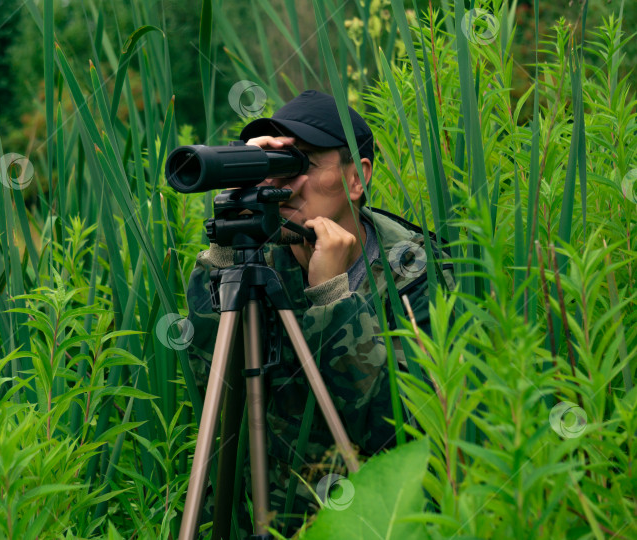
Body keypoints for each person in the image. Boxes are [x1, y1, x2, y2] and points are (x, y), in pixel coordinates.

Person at [184, 89, 454, 535]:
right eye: (273, 163)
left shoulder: (413, 272)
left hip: (367, 521)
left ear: (356, 178)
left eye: (302, 163)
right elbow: (210, 381)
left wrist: (332, 296)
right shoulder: (257, 262)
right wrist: (228, 246)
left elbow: (395, 429)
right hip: (262, 512)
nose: (282, 182)